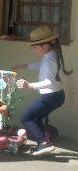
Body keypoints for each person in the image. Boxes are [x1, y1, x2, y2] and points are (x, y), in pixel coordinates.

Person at [12, 26, 72, 156]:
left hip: (50, 97)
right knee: (36, 118)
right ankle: (43, 141)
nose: (35, 50)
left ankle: (44, 143)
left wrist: (30, 85)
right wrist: (25, 66)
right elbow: (42, 66)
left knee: (26, 117)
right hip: (57, 96)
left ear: (45, 46)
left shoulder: (49, 60)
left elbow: (49, 81)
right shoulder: (52, 55)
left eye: (35, 47)